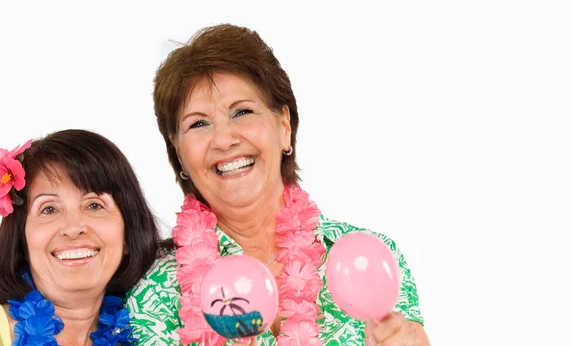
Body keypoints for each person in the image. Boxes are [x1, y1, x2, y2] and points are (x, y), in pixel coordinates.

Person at [126, 24, 431, 345]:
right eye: (198, 123)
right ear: (178, 152)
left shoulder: (370, 257)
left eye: (242, 111)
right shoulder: (152, 289)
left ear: (284, 126)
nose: (224, 139)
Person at [0, 129, 161, 345]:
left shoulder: (155, 333)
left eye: (94, 205)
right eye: (49, 209)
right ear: (21, 240)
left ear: (128, 234)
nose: (73, 228)